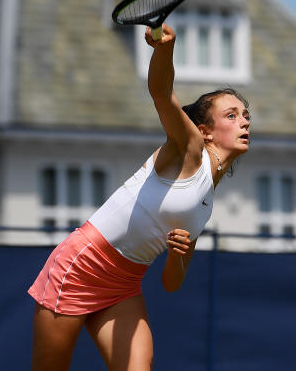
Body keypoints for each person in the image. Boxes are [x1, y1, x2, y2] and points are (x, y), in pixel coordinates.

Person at [28, 24, 250, 371]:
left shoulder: (205, 204)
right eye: (232, 115)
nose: (244, 122)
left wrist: (176, 255)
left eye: (245, 115)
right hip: (83, 264)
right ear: (204, 130)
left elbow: (172, 283)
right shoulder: (188, 148)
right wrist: (164, 49)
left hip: (124, 284)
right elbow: (162, 93)